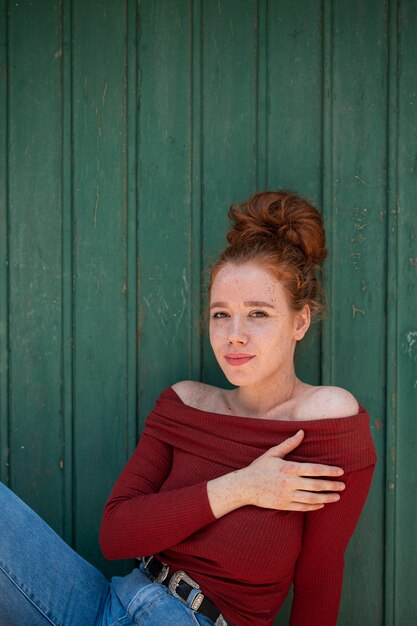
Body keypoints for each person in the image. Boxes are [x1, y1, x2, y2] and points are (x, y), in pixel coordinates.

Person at [0, 191, 376, 626]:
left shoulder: (326, 418)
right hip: (104, 603)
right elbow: (116, 533)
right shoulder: (185, 403)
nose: (234, 334)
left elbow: (318, 580)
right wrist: (242, 487)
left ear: (300, 321)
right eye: (221, 315)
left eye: (257, 313)